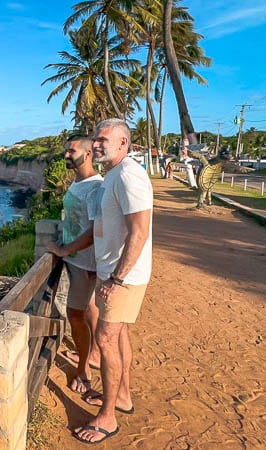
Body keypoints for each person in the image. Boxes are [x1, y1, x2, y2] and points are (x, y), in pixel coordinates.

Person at [73, 118, 153, 445]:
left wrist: (117, 278)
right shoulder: (113, 175)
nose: (96, 144)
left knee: (105, 340)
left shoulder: (129, 176)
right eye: (95, 139)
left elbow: (140, 231)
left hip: (124, 278)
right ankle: (122, 397)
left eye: (103, 139)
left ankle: (108, 418)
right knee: (118, 336)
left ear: (123, 143)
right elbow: (106, 227)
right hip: (113, 274)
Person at [45, 134, 102, 395]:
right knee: (87, 308)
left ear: (88, 153)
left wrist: (64, 249)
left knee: (75, 315)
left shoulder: (95, 187)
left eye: (72, 151)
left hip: (85, 261)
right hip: (76, 259)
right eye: (67, 151)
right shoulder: (79, 182)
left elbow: (93, 231)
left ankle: (84, 370)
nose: (67, 155)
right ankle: (93, 354)